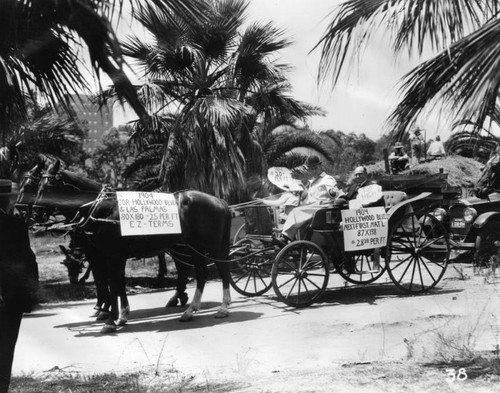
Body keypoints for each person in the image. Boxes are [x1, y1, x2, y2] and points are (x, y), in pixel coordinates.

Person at [0, 179, 39, 392]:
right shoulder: (14, 225)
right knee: (4, 352)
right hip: (7, 301)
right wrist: (30, 298)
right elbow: (27, 262)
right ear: (7, 199)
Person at [278, 156, 341, 242]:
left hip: (322, 208)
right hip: (312, 208)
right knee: (295, 213)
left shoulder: (327, 179)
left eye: (315, 168)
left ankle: (285, 238)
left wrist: (333, 192)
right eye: (311, 169)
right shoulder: (313, 182)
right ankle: (296, 242)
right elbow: (309, 197)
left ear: (320, 166)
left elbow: (334, 192)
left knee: (296, 212)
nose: (313, 171)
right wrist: (300, 190)